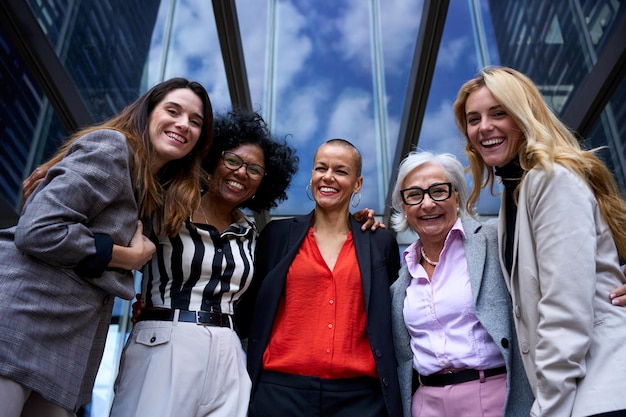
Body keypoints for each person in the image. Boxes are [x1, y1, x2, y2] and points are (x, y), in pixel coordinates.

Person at [0, 77, 214, 417]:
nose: (183, 124)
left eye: (195, 121)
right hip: (22, 319)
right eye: (172, 111)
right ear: (147, 113)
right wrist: (127, 257)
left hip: (70, 340)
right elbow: (38, 230)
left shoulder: (153, 194)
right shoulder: (113, 146)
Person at [453, 66, 626, 416]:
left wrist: (547, 408)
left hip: (601, 391)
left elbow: (565, 311)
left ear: (523, 115)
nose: (483, 127)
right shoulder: (515, 193)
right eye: (474, 119)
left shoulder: (549, 179)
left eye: (498, 112)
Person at [108, 109, 299, 417]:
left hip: (228, 352)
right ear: (213, 160)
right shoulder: (168, 205)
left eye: (254, 170)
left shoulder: (250, 233)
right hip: (164, 340)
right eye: (233, 161)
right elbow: (109, 215)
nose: (241, 173)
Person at [238, 138, 402, 417]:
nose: (328, 177)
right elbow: (246, 312)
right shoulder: (276, 236)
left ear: (357, 184)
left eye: (340, 171)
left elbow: (392, 318)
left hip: (360, 399)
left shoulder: (380, 242)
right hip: (280, 394)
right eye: (320, 168)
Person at [389, 151, 533, 417]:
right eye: (414, 195)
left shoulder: (493, 240)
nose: (428, 204)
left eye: (438, 191)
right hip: (426, 403)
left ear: (456, 196)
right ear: (404, 207)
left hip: (493, 395)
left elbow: (551, 270)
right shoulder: (403, 276)